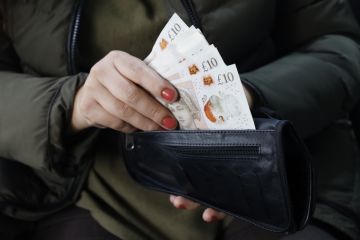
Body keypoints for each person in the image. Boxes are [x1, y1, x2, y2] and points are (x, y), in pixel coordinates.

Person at [0, 0, 359, 240]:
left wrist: (245, 97)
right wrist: (71, 103)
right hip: (93, 195)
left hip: (284, 170)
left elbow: (338, 46)